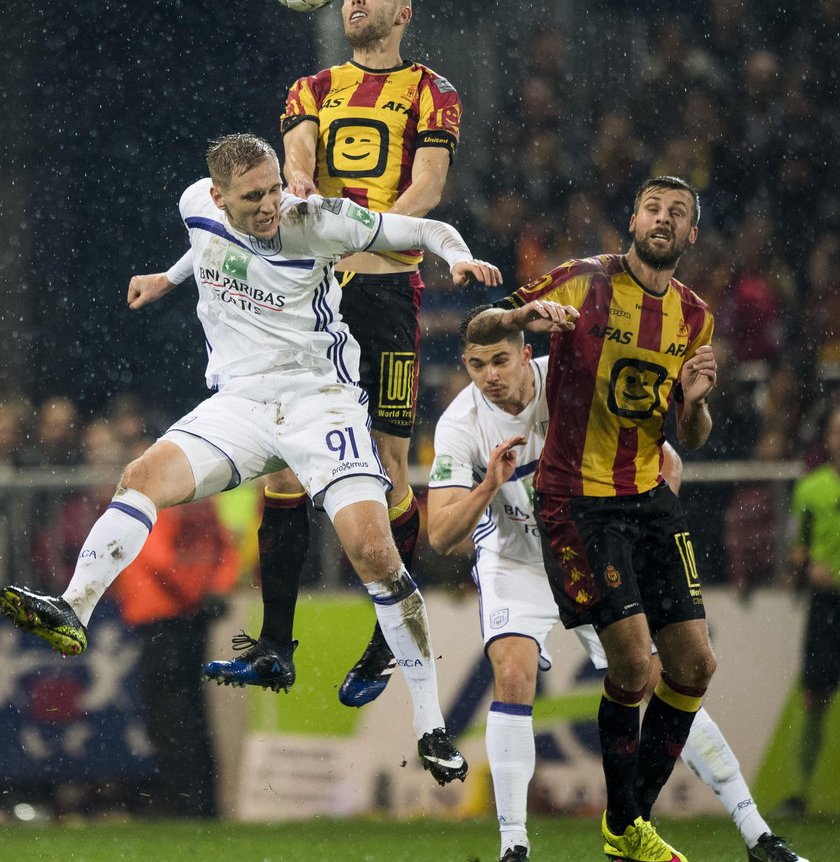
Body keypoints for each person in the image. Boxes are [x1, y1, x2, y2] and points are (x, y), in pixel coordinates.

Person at [0, 133, 502, 786]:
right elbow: (207, 246)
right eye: (254, 196)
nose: (272, 205)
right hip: (240, 403)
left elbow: (425, 228)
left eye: (273, 189)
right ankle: (72, 606)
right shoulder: (196, 205)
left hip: (321, 404)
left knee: (374, 554)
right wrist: (167, 278)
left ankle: (432, 727)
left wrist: (460, 259)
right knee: (140, 477)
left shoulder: (315, 219)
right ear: (218, 196)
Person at [426, 308, 812, 862]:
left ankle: (755, 830)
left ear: (522, 353)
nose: (490, 376)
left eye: (501, 360)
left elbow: (668, 465)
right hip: (515, 561)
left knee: (661, 676)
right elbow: (440, 535)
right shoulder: (460, 424)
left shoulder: (571, 381)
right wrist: (488, 484)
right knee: (513, 670)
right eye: (477, 365)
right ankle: (514, 845)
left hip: (584, 550)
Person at [190, 0, 463, 705]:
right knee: (281, 463)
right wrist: (309, 200)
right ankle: (276, 645)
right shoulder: (311, 87)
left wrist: (369, 243)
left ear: (403, 13)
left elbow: (428, 188)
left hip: (384, 291)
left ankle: (385, 645)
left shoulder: (434, 92)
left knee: (388, 465)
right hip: (316, 285)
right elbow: (298, 163)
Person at [466, 175, 717, 862]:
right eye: (653, 208)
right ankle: (628, 822)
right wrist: (522, 320)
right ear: (631, 220)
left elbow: (689, 435)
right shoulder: (582, 281)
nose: (663, 219)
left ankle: (624, 819)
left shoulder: (696, 318)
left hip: (646, 496)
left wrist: (695, 404)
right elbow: (483, 326)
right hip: (577, 499)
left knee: (696, 665)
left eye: (678, 214)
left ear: (690, 235)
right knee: (635, 663)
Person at [113, 494, 239, 817]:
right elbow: (224, 550)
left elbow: (155, 556)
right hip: (192, 615)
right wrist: (211, 590)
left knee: (167, 714)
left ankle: (184, 800)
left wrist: (190, 596)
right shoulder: (202, 500)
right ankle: (202, 801)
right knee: (193, 710)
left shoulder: (155, 498)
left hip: (162, 614)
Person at [780, 402, 840, 815]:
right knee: (815, 696)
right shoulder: (811, 487)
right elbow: (796, 549)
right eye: (837, 431)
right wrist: (803, 565)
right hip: (826, 607)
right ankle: (802, 793)